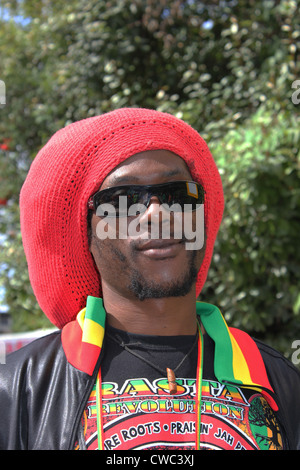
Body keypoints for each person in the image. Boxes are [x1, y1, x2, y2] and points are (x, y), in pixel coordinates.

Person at [0, 107, 299, 451]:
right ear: (86, 235)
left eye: (178, 195)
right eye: (124, 200)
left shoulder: (276, 382)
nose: (158, 214)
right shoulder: (19, 389)